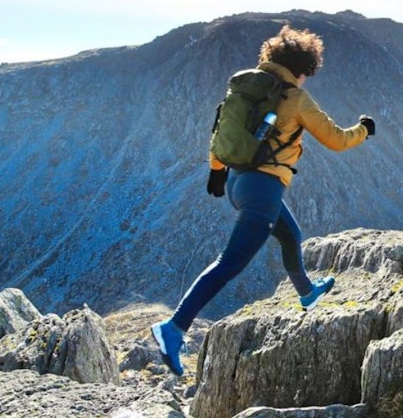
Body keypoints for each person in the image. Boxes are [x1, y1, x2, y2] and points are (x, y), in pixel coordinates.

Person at [152, 24, 375, 376]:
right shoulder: (294, 96)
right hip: (264, 188)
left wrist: (216, 170)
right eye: (307, 74)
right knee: (230, 263)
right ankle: (173, 328)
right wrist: (364, 129)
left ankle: (306, 292)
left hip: (237, 181)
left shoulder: (247, 89)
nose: (306, 80)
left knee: (290, 234)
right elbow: (335, 139)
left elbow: (222, 132)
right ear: (303, 68)